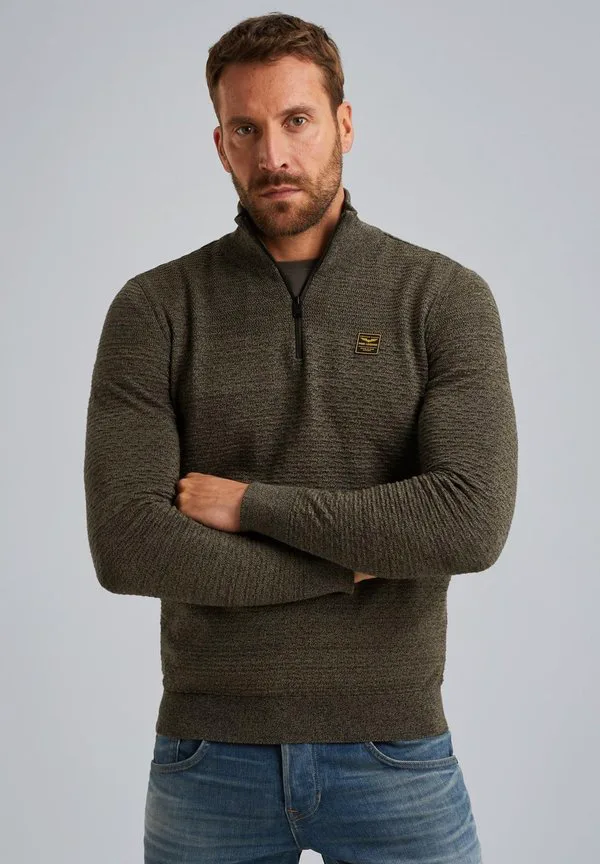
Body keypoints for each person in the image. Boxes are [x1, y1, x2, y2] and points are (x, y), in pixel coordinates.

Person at [84, 12, 518, 863]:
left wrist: (250, 506)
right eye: (246, 129)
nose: (273, 154)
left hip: (397, 751)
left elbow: (467, 521)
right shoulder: (155, 309)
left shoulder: (442, 298)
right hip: (209, 757)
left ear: (344, 125)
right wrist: (349, 565)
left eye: (296, 120)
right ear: (221, 145)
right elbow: (129, 544)